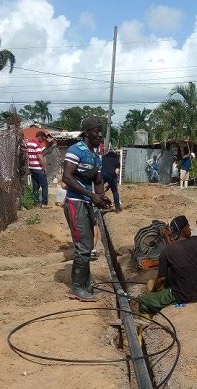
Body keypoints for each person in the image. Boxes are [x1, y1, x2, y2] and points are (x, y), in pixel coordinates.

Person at [62, 116, 112, 301]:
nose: (100, 135)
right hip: (75, 202)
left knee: (88, 245)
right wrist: (92, 196)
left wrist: (101, 197)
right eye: (97, 131)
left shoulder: (95, 155)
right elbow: (67, 177)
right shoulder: (76, 150)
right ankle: (76, 288)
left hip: (87, 203)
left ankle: (86, 284)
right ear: (87, 132)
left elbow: (98, 181)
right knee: (83, 246)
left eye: (101, 131)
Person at [25, 131, 51, 208]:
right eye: (42, 139)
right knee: (44, 185)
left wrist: (28, 164)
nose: (43, 141)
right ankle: (44, 203)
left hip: (32, 168)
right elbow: (40, 157)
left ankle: (36, 202)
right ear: (39, 136)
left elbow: (26, 155)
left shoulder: (28, 143)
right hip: (38, 168)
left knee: (35, 185)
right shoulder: (37, 144)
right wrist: (44, 167)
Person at [102, 148, 122, 212]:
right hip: (112, 174)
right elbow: (116, 172)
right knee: (115, 191)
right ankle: (118, 208)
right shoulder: (116, 161)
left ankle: (101, 206)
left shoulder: (103, 159)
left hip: (102, 174)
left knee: (100, 190)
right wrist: (111, 184)